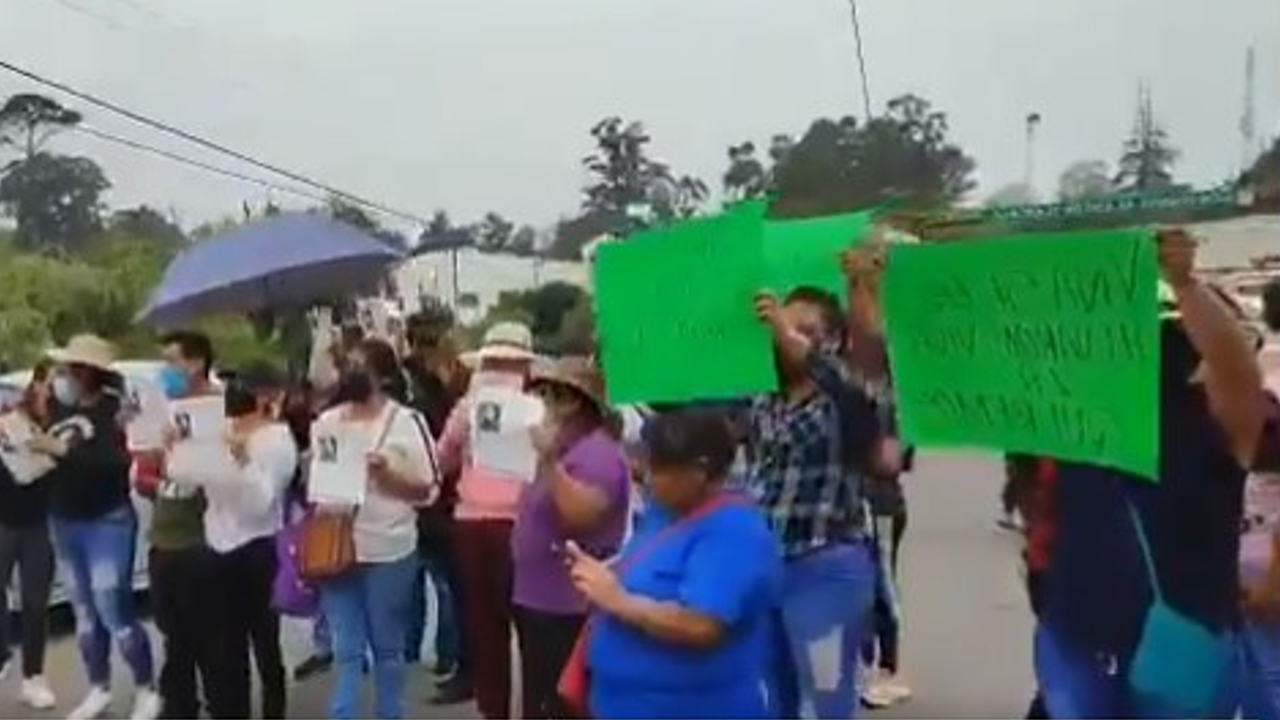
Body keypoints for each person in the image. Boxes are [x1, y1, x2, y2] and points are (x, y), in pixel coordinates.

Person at [1027, 232, 1273, 717]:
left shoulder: (1217, 426)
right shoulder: (1074, 420)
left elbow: (1238, 372)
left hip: (1183, 649)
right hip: (1076, 637)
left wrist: (1184, 285)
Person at [568, 407, 782, 719]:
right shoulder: (662, 515)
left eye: (659, 469)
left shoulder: (733, 533)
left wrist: (618, 601)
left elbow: (701, 625)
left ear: (699, 471)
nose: (647, 474)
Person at [744, 287, 887, 720]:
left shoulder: (848, 397)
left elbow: (855, 381)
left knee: (826, 700)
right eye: (785, 326)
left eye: (806, 330)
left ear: (833, 340)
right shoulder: (764, 398)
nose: (787, 337)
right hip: (769, 569)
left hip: (827, 570)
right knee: (772, 696)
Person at [313, 337, 442, 720]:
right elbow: (317, 478)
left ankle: (391, 712)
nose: (350, 373)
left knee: (387, 647)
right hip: (335, 546)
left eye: (359, 366)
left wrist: (389, 476)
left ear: (382, 375)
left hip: (388, 548)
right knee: (347, 649)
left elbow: (428, 489)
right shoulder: (327, 423)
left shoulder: (407, 422)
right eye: (346, 365)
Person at [31, 335, 158, 720]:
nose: (64, 374)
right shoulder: (57, 408)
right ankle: (98, 687)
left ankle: (145, 687)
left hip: (107, 519)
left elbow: (114, 463)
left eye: (71, 368)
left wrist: (64, 452)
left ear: (89, 372)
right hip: (64, 518)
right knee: (84, 614)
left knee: (112, 605)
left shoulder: (116, 410)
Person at [166, 362, 293, 719]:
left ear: (266, 397)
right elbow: (185, 479)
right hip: (217, 548)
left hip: (257, 549)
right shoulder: (220, 432)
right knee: (223, 647)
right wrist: (174, 449)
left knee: (264, 641)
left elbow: (261, 502)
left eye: (246, 388)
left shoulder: (277, 439)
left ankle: (274, 708)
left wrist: (241, 460)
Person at [513, 356, 630, 719]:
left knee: (563, 705)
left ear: (575, 401)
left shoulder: (597, 454)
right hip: (540, 599)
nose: (542, 404)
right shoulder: (564, 449)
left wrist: (549, 463)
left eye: (551, 395)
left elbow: (581, 517)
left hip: (567, 607)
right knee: (541, 700)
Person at [435, 321, 538, 719]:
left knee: (484, 626)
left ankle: (494, 710)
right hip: (523, 524)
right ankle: (537, 706)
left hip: (472, 524)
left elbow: (442, 458)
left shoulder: (468, 407)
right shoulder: (538, 406)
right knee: (531, 625)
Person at [137, 330, 219, 720]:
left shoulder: (219, 409)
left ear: (197, 361)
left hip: (203, 541)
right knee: (174, 635)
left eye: (174, 361)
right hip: (164, 540)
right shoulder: (160, 411)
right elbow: (143, 474)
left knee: (210, 637)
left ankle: (219, 703)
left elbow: (225, 475)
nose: (167, 371)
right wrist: (155, 467)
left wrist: (185, 461)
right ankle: (180, 706)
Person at [402, 322, 471, 703]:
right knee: (448, 584)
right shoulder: (459, 389)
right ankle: (452, 657)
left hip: (437, 498)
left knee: (444, 582)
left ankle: (446, 654)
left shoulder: (424, 399)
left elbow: (440, 457)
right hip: (451, 500)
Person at [0, 361, 57, 709]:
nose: (51, 390)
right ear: (34, 385)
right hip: (2, 518)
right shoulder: (11, 417)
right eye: (48, 383)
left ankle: (33, 677)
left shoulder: (65, 424)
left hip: (40, 523)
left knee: (36, 604)